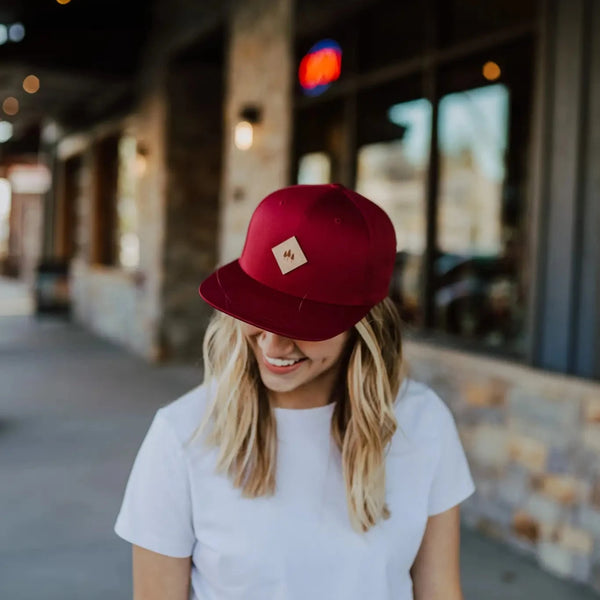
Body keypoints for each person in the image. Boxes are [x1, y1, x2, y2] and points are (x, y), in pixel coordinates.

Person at [114, 183, 476, 600]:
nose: (272, 344)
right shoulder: (182, 434)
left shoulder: (421, 422)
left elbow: (440, 592)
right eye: (257, 309)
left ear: (365, 324)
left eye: (301, 323)